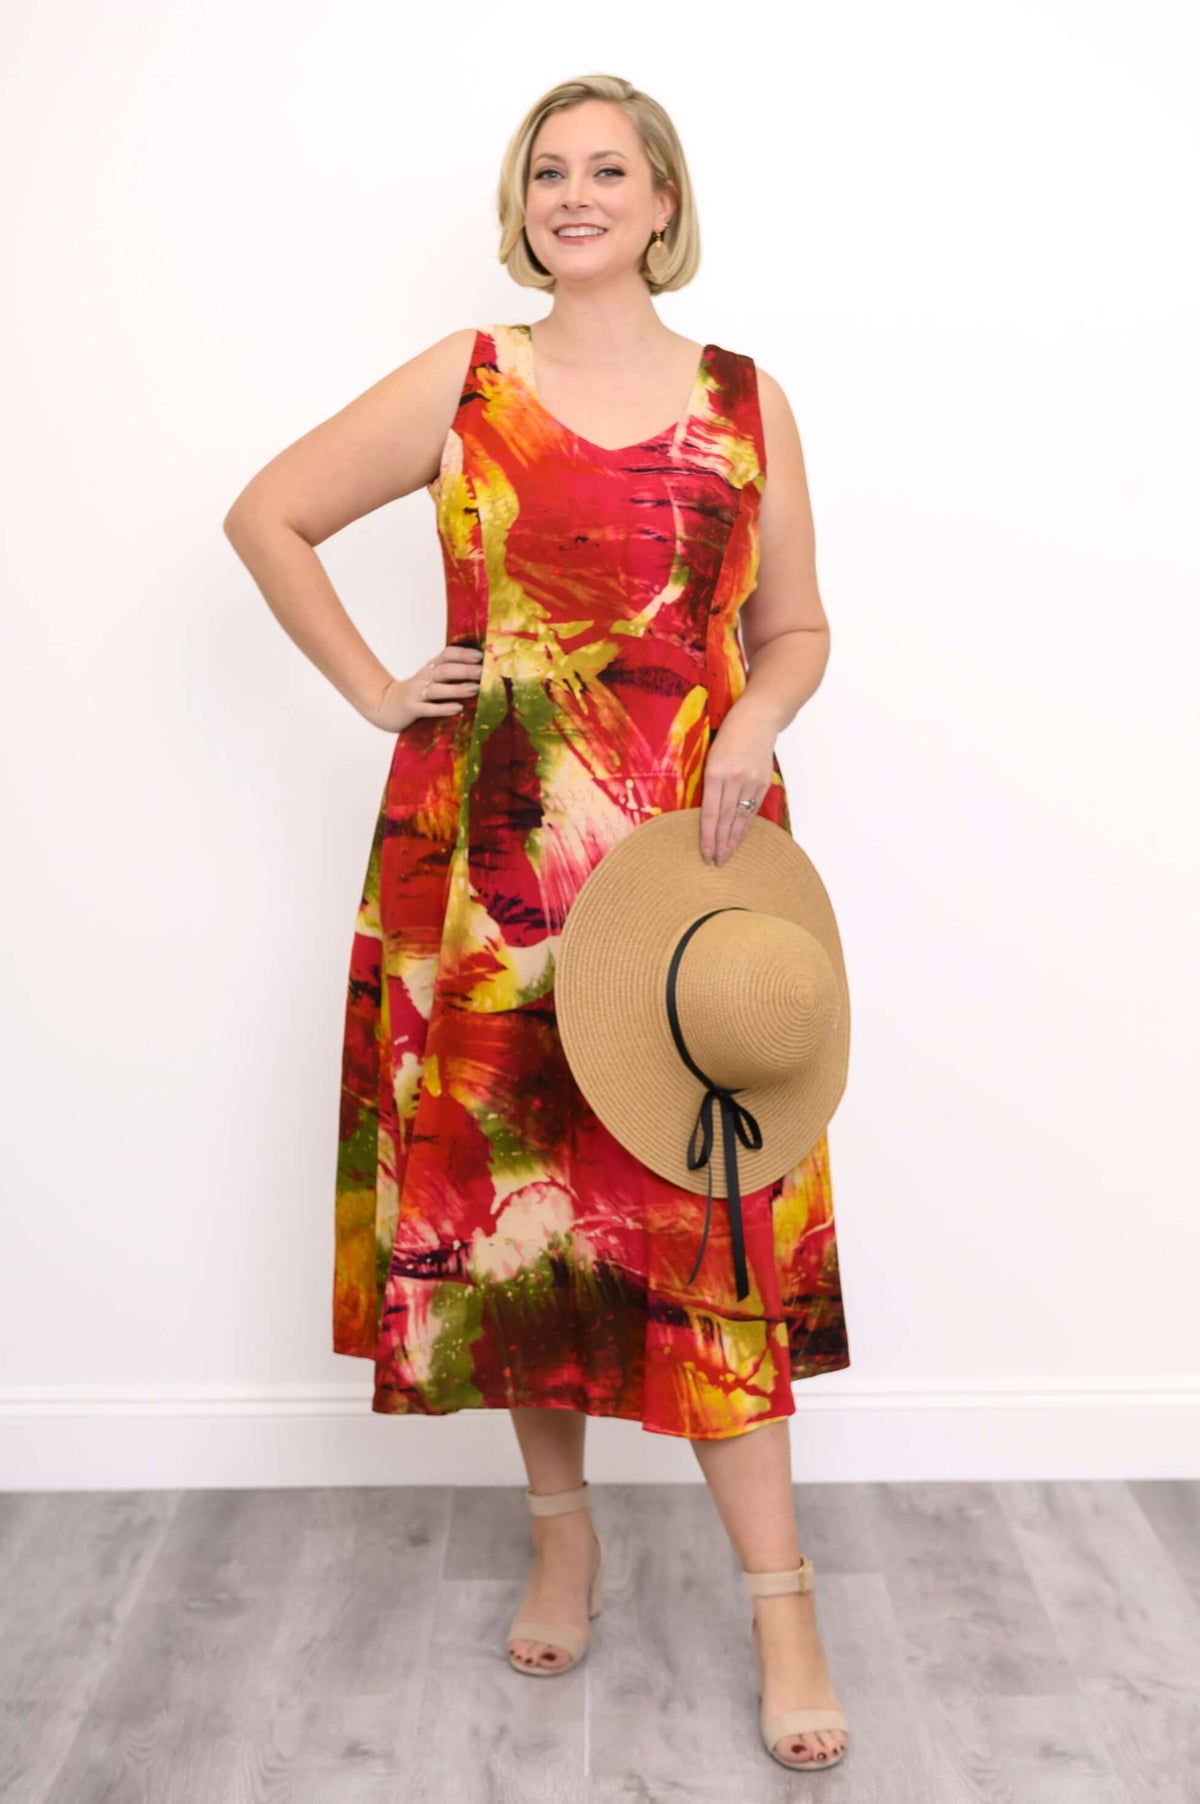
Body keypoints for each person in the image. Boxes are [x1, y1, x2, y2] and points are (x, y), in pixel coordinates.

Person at [223, 72, 851, 1772]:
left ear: (663, 204)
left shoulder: (744, 401)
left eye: (608, 171)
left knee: (711, 1228)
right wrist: (379, 688)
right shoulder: (470, 378)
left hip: (688, 880)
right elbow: (268, 513)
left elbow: (796, 628)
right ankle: (561, 1536)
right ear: (526, 206)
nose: (575, 194)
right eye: (548, 171)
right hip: (491, 870)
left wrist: (753, 721)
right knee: (523, 1224)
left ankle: (782, 1603)